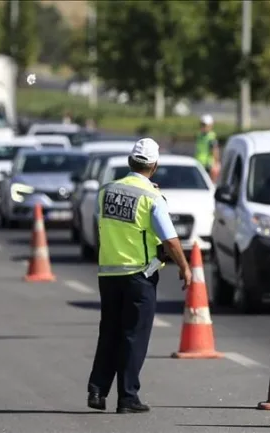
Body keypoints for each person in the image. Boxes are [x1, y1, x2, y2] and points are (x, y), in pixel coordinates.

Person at [87, 138, 192, 414]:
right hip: (138, 275)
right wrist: (185, 267)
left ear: (130, 162)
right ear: (154, 166)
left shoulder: (106, 191)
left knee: (109, 332)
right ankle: (127, 397)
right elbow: (169, 240)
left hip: (108, 273)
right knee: (134, 336)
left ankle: (97, 391)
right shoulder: (151, 198)